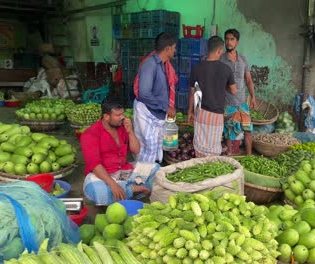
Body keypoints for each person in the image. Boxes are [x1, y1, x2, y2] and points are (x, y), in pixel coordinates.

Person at [81, 99, 159, 205]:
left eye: (123, 114)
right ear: (106, 117)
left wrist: (130, 131)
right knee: (99, 191)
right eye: (118, 115)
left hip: (124, 171)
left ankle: (127, 190)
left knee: (156, 169)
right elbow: (95, 165)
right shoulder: (90, 134)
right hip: (104, 174)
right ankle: (133, 189)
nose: (122, 117)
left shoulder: (122, 128)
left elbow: (136, 150)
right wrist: (113, 184)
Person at [187, 36, 237, 157]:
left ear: (207, 49)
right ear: (220, 51)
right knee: (213, 148)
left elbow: (193, 93)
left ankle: (199, 167)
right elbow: (234, 91)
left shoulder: (196, 68)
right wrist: (222, 85)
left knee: (200, 146)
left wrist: (190, 111)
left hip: (201, 113)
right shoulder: (226, 69)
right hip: (216, 115)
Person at [133, 32, 178, 163]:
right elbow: (144, 94)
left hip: (157, 113)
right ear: (168, 48)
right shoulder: (150, 64)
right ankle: (142, 179)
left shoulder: (164, 65)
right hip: (147, 113)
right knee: (147, 150)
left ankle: (152, 175)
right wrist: (166, 107)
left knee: (155, 149)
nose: (175, 51)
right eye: (174, 47)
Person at [220, 29, 256, 155]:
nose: (229, 42)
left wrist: (253, 97)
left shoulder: (243, 60)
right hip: (227, 102)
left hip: (242, 102)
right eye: (227, 39)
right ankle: (229, 155)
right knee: (228, 131)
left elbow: (249, 80)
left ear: (237, 42)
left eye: (232, 39)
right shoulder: (221, 59)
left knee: (248, 130)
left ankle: (249, 156)